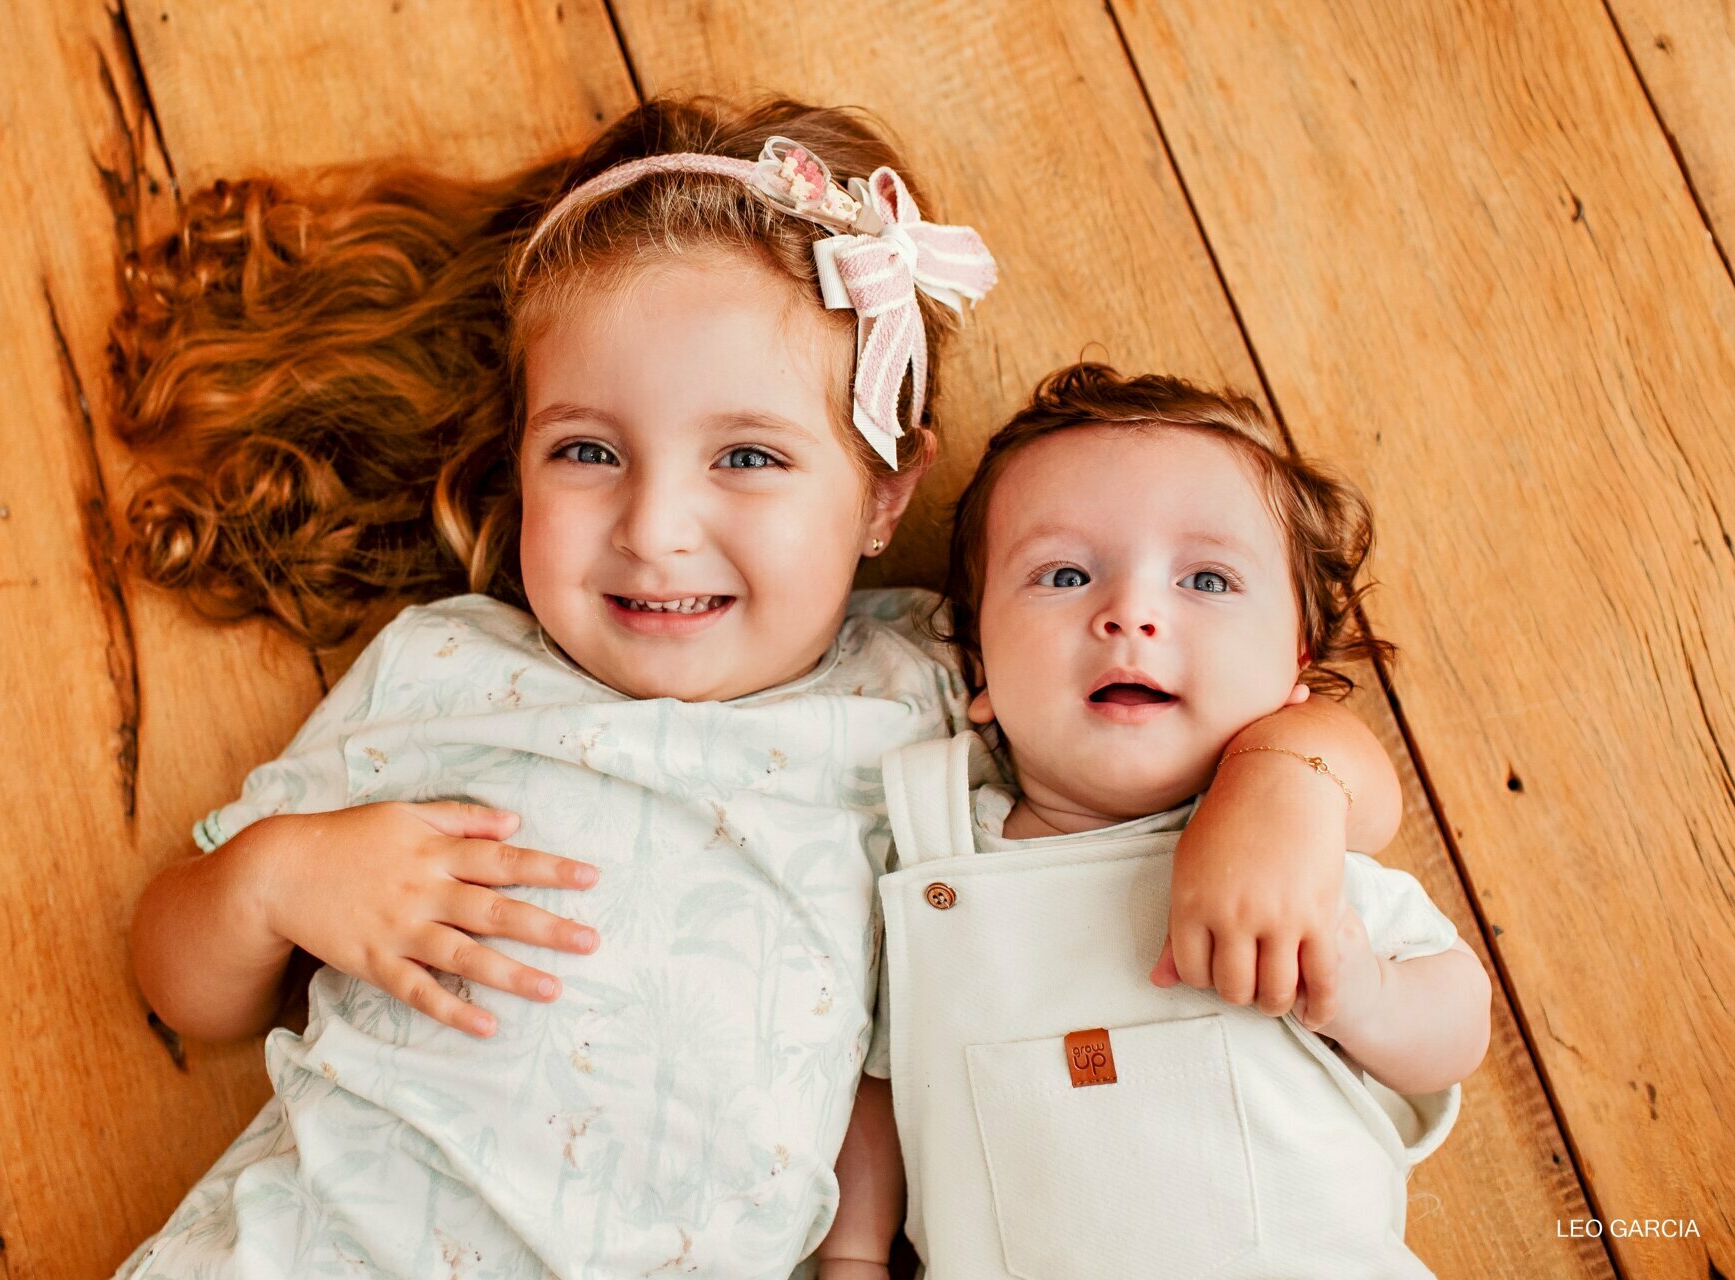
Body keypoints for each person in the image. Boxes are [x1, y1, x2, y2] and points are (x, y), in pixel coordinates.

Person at [112, 99, 1404, 1279]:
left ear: (886, 493)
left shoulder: (934, 690)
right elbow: (185, 982)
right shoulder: (451, 669)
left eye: (745, 454)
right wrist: (279, 877)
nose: (657, 526)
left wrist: (1288, 784)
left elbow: (1201, 693)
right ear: (518, 456)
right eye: (585, 450)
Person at [823, 364, 1492, 1278]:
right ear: (979, 662)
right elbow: (881, 1080)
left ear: (1293, 664)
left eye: (1208, 581)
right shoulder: (931, 853)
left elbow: (1458, 1021)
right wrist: (855, 1254)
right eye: (1063, 574)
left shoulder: (1295, 857)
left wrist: (1367, 994)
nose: (1130, 614)